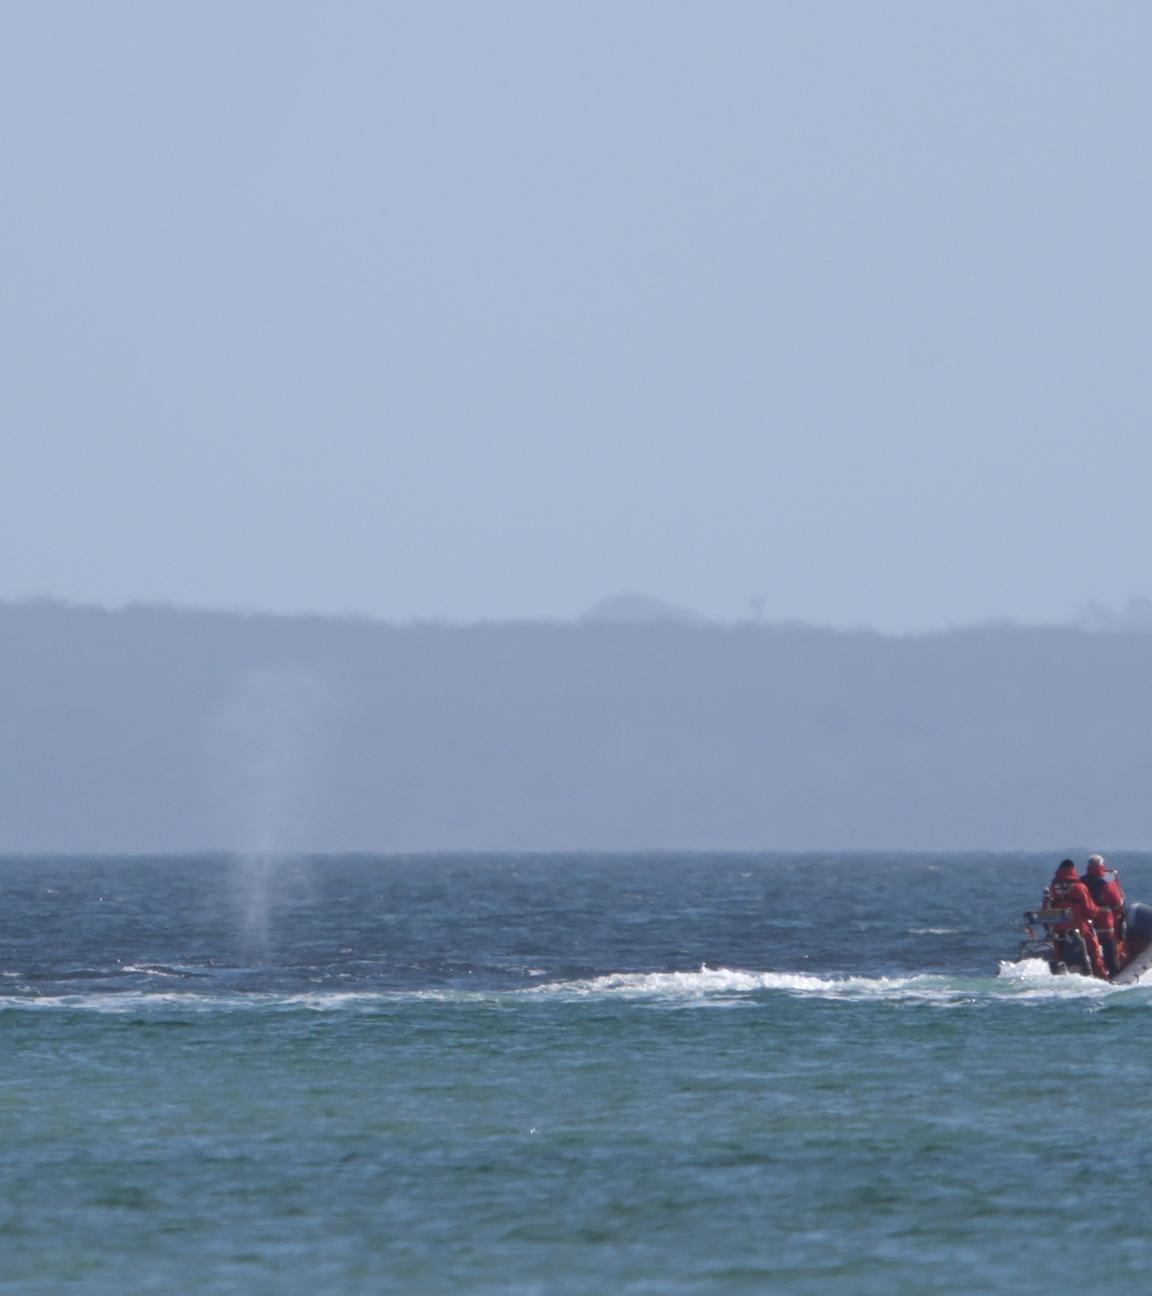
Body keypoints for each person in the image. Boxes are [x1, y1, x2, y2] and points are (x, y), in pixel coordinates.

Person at [1044, 859, 1105, 977]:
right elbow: (1090, 910)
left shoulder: (1051, 889)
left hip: (1058, 932)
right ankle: (1101, 976)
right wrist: (1097, 909)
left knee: (1058, 956)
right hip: (1079, 929)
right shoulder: (1079, 887)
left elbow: (1046, 911)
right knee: (1094, 952)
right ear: (1073, 870)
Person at [1081, 854, 1126, 978]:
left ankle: (1091, 971)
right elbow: (1117, 904)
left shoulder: (1080, 881)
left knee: (1089, 946)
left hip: (1086, 921)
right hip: (1105, 921)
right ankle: (1112, 972)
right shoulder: (1107, 882)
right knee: (1109, 946)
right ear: (1101, 865)